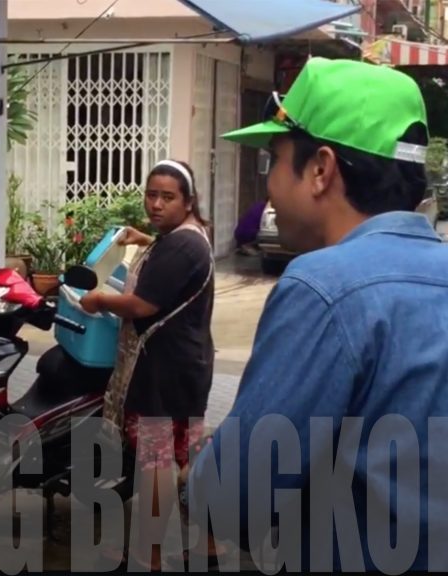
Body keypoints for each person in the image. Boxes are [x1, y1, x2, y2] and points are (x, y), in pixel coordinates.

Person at [179, 57, 448, 572]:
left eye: (272, 161)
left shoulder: (323, 288)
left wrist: (211, 460)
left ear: (321, 169)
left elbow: (229, 501)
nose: (269, 186)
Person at [80, 159, 216, 570]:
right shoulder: (188, 236)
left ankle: (150, 554)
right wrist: (144, 239)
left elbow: (143, 305)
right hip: (186, 367)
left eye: (167, 197)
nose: (155, 204)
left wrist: (99, 299)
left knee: (155, 464)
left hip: (163, 370)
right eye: (151, 194)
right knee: (185, 457)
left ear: (188, 200)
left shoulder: (181, 245)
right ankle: (212, 545)